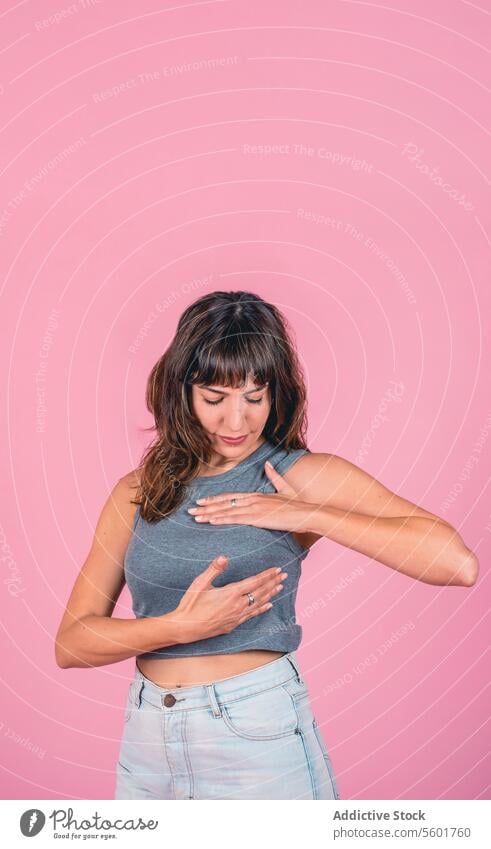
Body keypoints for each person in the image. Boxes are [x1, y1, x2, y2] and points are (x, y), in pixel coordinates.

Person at [54, 290, 478, 800]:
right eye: (214, 399)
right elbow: (72, 643)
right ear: (181, 391)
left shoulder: (298, 475)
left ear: (277, 393)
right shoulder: (138, 489)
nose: (237, 423)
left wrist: (304, 512)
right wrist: (176, 627)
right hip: (148, 741)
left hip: (253, 731)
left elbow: (456, 564)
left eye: (255, 398)